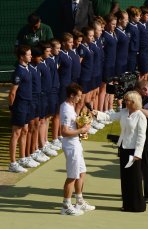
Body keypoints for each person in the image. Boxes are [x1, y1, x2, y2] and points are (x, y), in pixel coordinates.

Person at [95, 91, 147, 212]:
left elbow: (141, 136)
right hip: (123, 148)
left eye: (127, 100)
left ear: (133, 102)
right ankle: (127, 205)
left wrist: (138, 154)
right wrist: (97, 113)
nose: (125, 102)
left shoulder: (140, 116)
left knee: (135, 178)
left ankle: (137, 205)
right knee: (125, 178)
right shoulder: (124, 112)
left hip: (134, 151)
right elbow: (110, 117)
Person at [60, 83, 95, 216]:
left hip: (76, 143)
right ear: (71, 95)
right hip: (70, 145)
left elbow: (72, 126)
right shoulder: (65, 109)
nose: (80, 99)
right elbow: (64, 132)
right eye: (78, 96)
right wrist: (82, 129)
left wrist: (82, 123)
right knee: (72, 176)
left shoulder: (70, 106)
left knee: (81, 172)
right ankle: (66, 206)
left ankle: (79, 201)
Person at [8, 45, 33, 173]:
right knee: (16, 133)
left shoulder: (27, 68)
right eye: (28, 54)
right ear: (22, 57)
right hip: (20, 105)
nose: (31, 56)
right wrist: (12, 107)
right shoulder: (18, 71)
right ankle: (12, 163)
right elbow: (12, 92)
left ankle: (22, 158)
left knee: (25, 130)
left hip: (28, 104)